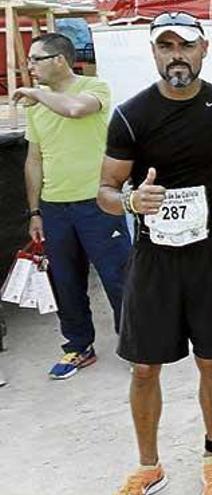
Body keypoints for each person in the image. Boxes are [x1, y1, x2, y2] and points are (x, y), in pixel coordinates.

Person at [97, 12, 212, 495]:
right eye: (166, 47)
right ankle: (149, 466)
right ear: (154, 53)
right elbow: (104, 189)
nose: (176, 56)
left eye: (185, 46)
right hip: (154, 259)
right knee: (144, 368)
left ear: (204, 49)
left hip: (207, 255)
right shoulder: (131, 114)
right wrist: (129, 201)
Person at [16, 32, 130, 380]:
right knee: (65, 281)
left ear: (59, 60)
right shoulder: (39, 108)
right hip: (55, 209)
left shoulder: (94, 88)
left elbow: (77, 109)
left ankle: (136, 344)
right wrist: (35, 211)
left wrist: (36, 93)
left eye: (36, 59)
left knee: (118, 277)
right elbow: (34, 160)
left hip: (99, 203)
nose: (30, 66)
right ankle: (78, 346)